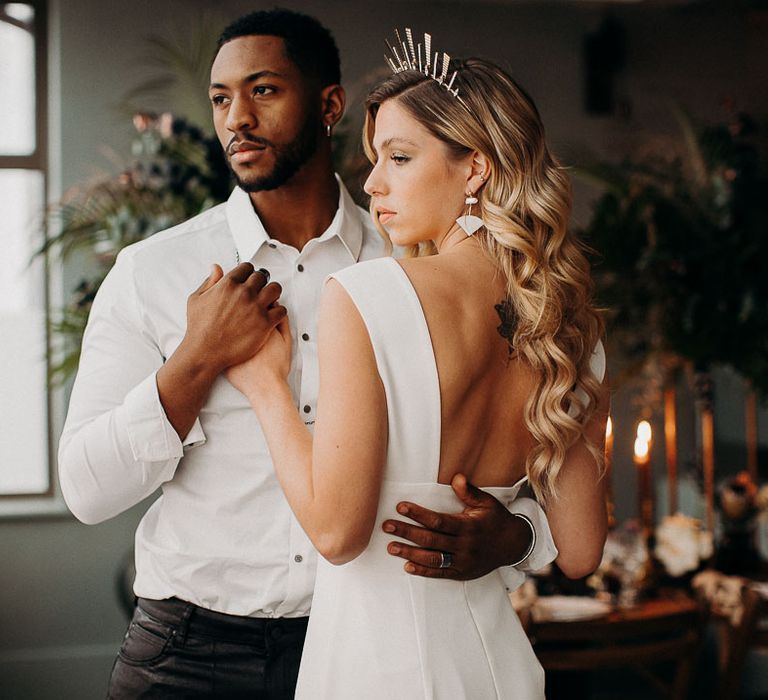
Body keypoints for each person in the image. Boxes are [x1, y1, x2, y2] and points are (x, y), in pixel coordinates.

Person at [57, 10, 557, 699]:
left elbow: (514, 458)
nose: (237, 118)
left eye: (262, 91)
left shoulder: (415, 269)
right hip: (187, 655)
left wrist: (520, 538)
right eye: (221, 98)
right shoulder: (155, 273)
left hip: (363, 651)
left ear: (329, 105)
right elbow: (86, 490)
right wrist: (195, 362)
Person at [226, 31, 610, 700]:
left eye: (399, 158)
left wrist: (264, 388)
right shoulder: (569, 326)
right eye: (375, 159)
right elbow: (579, 553)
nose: (372, 183)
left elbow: (337, 532)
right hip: (498, 667)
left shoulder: (368, 295)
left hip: (378, 669)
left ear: (475, 169)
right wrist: (512, 538)